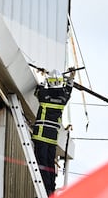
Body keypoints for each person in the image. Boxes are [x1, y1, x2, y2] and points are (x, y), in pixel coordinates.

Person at [31, 67, 75, 196]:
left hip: (40, 135)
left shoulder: (44, 95)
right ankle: (51, 191)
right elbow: (68, 89)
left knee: (42, 164)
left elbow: (38, 89)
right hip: (52, 138)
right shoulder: (63, 97)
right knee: (50, 165)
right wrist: (72, 77)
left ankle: (45, 190)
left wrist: (42, 75)